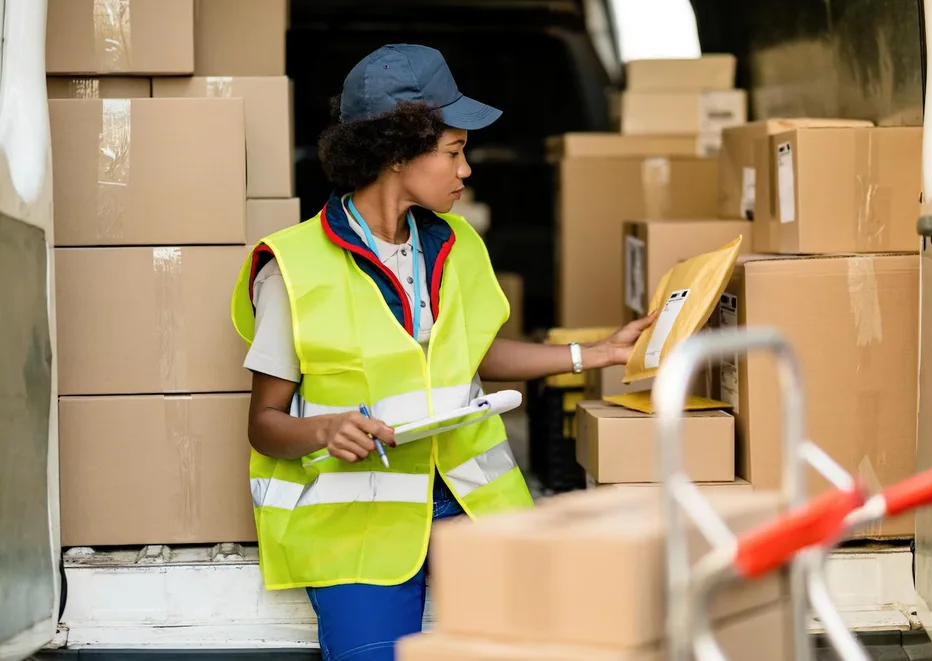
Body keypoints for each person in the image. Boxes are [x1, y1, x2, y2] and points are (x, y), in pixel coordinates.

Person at [230, 43, 657, 661]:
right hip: (359, 525)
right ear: (396, 151)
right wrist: (326, 428)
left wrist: (591, 356)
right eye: (454, 151)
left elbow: (474, 357)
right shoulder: (291, 269)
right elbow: (265, 427)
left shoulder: (457, 243)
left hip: (468, 501)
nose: (466, 170)